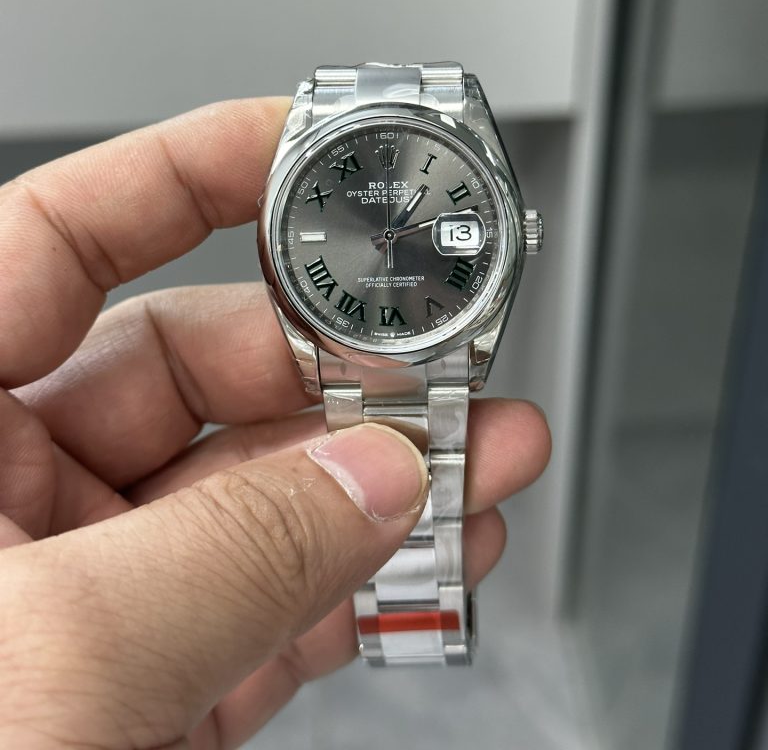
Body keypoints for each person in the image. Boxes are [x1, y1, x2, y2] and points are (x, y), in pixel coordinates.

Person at [0, 98, 551, 749]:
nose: (383, 240)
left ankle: (416, 623)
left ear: (520, 232)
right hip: (366, 344)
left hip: (433, 340)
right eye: (373, 235)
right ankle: (410, 625)